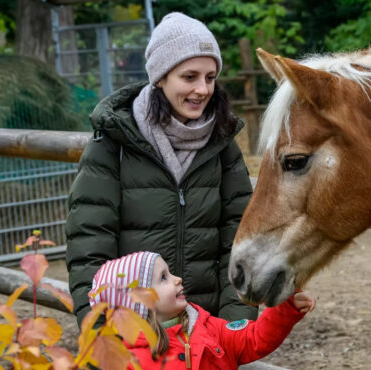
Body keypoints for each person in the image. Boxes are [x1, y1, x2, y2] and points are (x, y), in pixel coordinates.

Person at [66, 12, 255, 328]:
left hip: (205, 331)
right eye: (189, 76)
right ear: (161, 76)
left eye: (210, 78)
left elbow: (238, 235)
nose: (203, 89)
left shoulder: (222, 143)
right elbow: (89, 241)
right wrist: (99, 329)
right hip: (133, 334)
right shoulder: (116, 142)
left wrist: (236, 323)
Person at [88, 252, 315, 370]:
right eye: (163, 278)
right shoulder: (130, 363)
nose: (177, 279)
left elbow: (254, 339)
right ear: (140, 303)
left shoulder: (209, 327)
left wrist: (284, 309)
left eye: (170, 273)